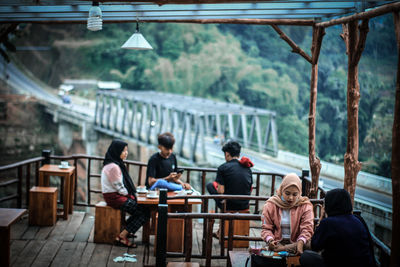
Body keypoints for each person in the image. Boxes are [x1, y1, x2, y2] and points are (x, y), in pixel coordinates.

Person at [300, 188, 376, 267]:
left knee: (305, 257)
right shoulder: (358, 219)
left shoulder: (328, 223)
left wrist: (321, 218)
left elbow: (314, 246)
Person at [101, 140, 150, 248]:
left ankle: (126, 230)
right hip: (115, 197)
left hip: (114, 195)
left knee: (142, 209)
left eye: (126, 150)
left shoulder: (113, 164)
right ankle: (122, 236)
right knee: (145, 213)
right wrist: (130, 196)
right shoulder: (114, 167)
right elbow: (119, 187)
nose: (126, 153)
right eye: (123, 151)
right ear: (117, 151)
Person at [261, 173, 314, 254]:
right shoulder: (271, 205)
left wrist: (301, 242)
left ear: (299, 193)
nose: (290, 198)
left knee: (308, 244)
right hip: (277, 243)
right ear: (282, 190)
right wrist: (270, 240)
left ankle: (283, 249)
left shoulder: (305, 206)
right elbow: (266, 228)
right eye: (287, 193)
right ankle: (282, 249)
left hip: (298, 243)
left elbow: (307, 228)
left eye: (295, 194)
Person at [206, 140, 253, 211]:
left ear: (227, 154)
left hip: (229, 206)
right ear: (238, 155)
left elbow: (220, 191)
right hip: (244, 205)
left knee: (209, 185)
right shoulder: (247, 168)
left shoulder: (222, 168)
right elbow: (250, 188)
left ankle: (224, 209)